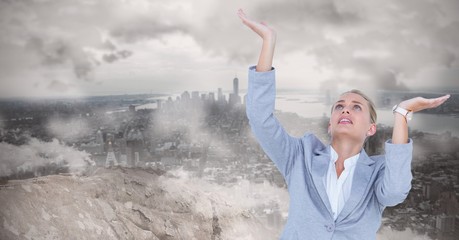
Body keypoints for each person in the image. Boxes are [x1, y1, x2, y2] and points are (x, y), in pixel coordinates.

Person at [237, 9, 450, 240]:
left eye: (357, 107)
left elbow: (395, 193)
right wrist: (269, 41)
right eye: (339, 106)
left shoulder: (379, 172)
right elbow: (260, 117)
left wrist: (401, 113)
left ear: (371, 128)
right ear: (330, 125)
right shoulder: (300, 157)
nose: (346, 108)